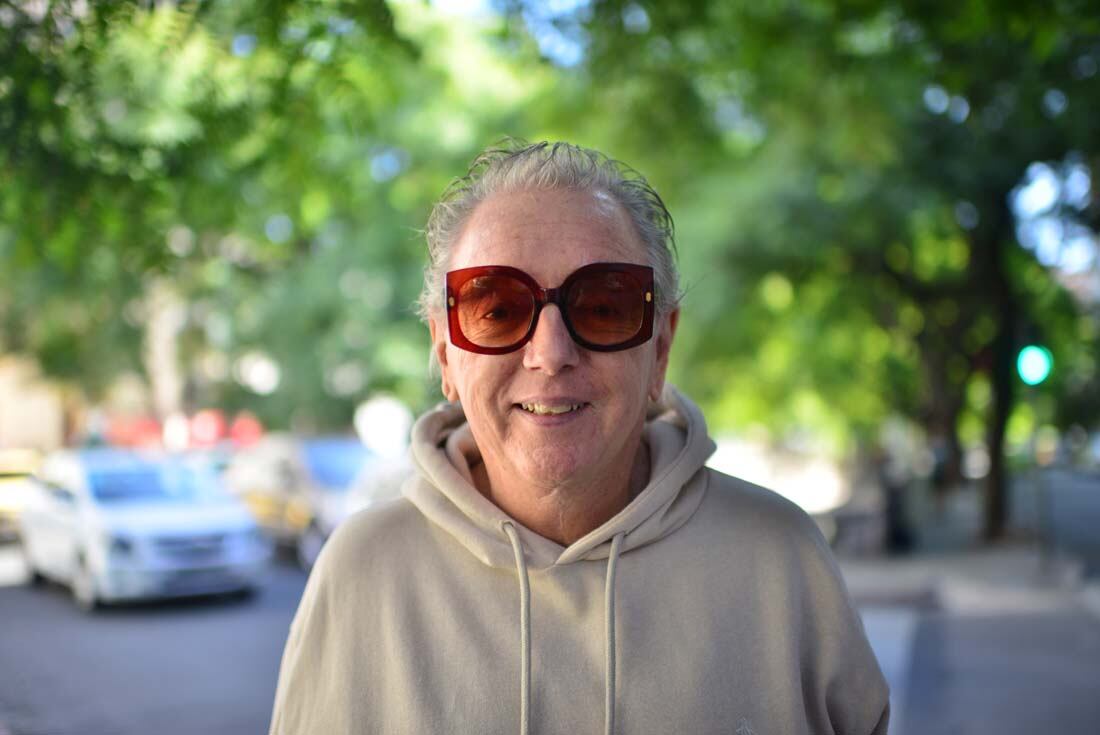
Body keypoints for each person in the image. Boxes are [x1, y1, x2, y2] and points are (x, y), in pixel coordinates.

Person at [269, 141, 889, 735]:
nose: (550, 353)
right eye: (498, 309)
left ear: (662, 348)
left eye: (603, 307)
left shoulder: (782, 559)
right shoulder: (363, 572)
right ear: (445, 353)